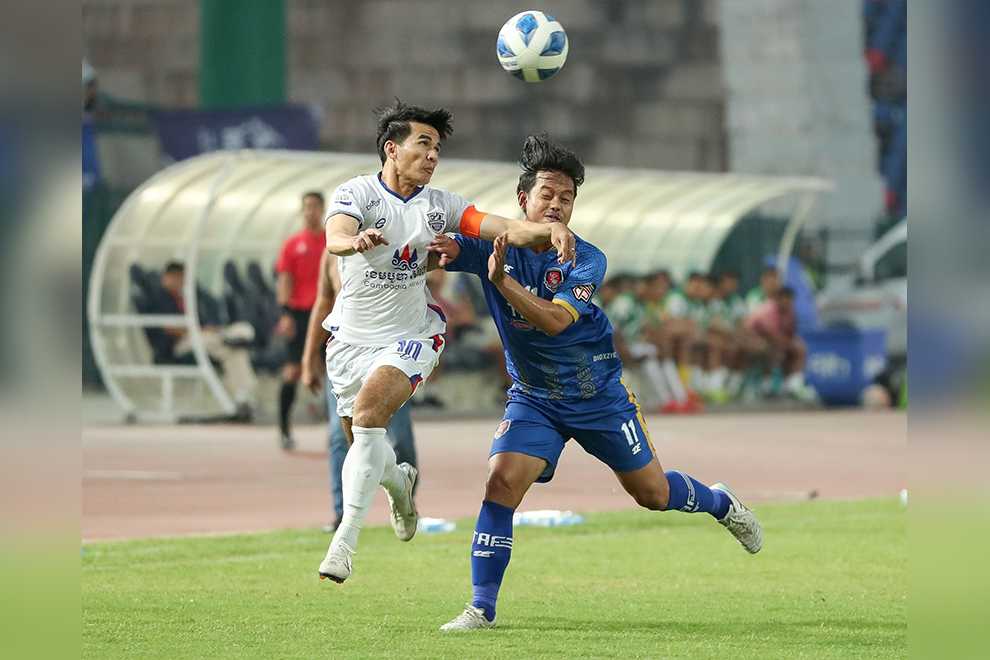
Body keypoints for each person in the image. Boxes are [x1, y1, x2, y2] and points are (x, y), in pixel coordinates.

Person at [429, 135, 762, 631]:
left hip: (598, 396)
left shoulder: (587, 259)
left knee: (652, 494)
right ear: (523, 200)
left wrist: (503, 283)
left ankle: (721, 502)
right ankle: (481, 608)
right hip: (534, 398)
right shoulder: (491, 248)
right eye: (546, 194)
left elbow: (554, 322)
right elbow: (439, 251)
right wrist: (419, 245)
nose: (556, 205)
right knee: (501, 482)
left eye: (566, 198)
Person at [316, 100, 576, 584]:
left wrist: (550, 227)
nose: (433, 155)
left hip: (412, 334)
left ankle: (343, 543)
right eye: (423, 144)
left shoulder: (443, 206)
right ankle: (399, 482)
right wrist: (354, 242)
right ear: (392, 149)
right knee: (365, 448)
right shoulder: (356, 193)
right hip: (349, 341)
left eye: (437, 147)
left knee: (369, 417)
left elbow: (505, 228)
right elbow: (335, 236)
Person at [300, 251, 418, 534]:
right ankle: (342, 513)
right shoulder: (331, 253)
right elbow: (324, 301)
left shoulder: (393, 240)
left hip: (389, 356)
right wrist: (308, 358)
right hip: (346, 357)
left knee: (400, 438)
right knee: (339, 437)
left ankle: (405, 501)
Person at [147, 262, 258, 416]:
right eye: (181, 278)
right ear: (170, 276)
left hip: (196, 338)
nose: (183, 282)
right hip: (177, 345)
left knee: (234, 350)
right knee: (221, 341)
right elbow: (168, 328)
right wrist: (200, 330)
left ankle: (243, 397)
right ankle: (228, 339)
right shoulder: (159, 298)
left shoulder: (182, 297)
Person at [273, 192, 327, 450]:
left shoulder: (332, 241)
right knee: (293, 371)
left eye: (315, 206)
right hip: (301, 314)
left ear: (323, 209)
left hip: (329, 313)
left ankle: (339, 433)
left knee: (336, 371)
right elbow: (285, 279)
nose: (310, 211)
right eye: (306, 207)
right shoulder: (292, 244)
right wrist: (286, 314)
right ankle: (284, 428)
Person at [745, 287, 814, 400]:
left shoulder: (791, 312)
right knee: (775, 351)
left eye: (789, 300)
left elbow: (791, 334)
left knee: (799, 348)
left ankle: (794, 384)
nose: (787, 303)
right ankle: (766, 385)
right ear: (777, 299)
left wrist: (793, 344)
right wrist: (789, 344)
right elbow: (772, 337)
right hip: (751, 340)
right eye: (784, 300)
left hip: (775, 342)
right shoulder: (767, 312)